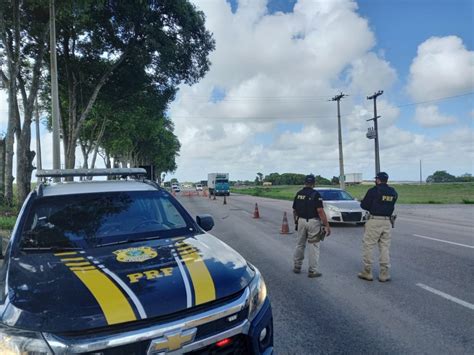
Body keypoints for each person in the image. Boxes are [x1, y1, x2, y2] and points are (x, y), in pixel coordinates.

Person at [358, 172, 398, 282]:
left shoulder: (373, 191)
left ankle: (367, 271)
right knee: (384, 247)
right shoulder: (393, 192)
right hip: (387, 222)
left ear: (378, 180)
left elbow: (364, 205)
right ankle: (384, 273)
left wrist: (363, 200)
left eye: (376, 179)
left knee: (369, 246)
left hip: (374, 220)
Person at [292, 174, 331, 278]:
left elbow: (294, 210)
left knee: (300, 244)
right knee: (313, 246)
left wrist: (296, 222)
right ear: (314, 183)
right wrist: (326, 225)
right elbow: (320, 211)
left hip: (301, 221)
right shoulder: (316, 194)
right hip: (313, 222)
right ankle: (312, 271)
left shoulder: (299, 193)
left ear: (305, 182)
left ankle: (297, 266)